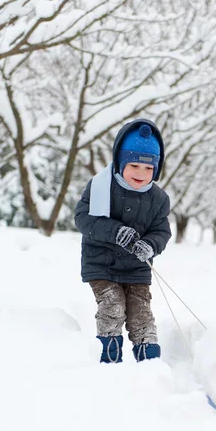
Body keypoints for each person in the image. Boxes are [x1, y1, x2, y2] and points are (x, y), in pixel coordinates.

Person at [75, 118, 171, 363]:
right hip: (101, 265)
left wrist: (150, 245)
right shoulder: (100, 187)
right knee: (113, 305)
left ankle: (148, 359)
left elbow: (162, 231)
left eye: (149, 169)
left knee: (141, 312)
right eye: (135, 165)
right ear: (120, 162)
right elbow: (83, 219)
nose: (141, 173)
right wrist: (114, 231)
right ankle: (109, 356)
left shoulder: (158, 198)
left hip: (137, 268)